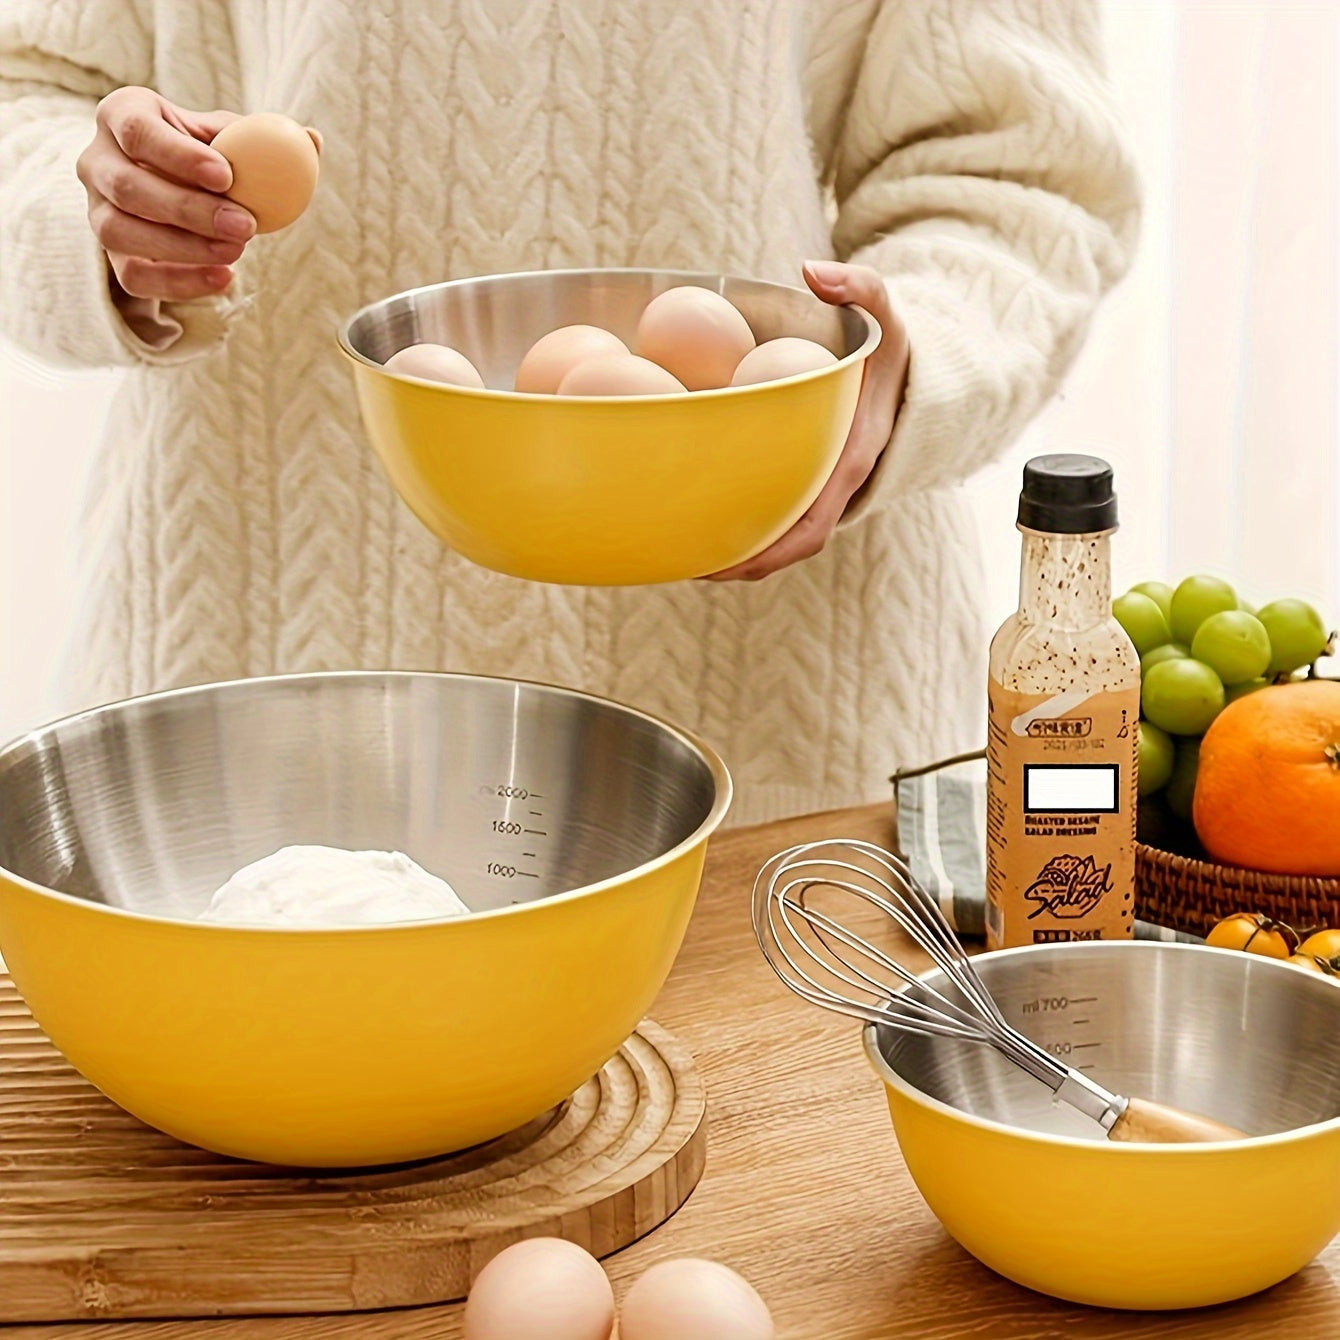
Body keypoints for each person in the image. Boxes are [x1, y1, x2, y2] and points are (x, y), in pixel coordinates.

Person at [0, 2, 1138, 826]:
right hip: (256, 689)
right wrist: (106, 209)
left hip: (774, 737)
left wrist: (896, 372)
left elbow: (1019, 179)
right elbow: (28, 92)